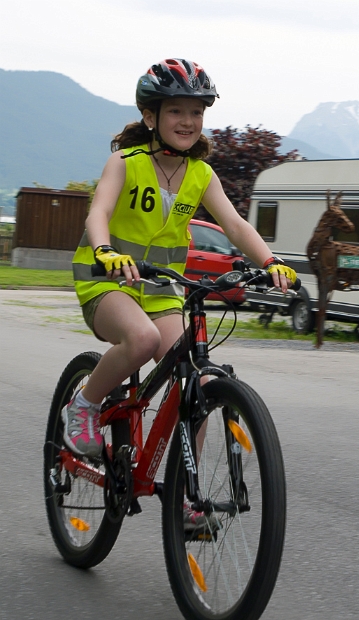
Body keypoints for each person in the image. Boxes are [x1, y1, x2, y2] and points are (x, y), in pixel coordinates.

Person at [65, 58, 296, 460]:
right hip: (107, 282)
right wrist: (105, 251)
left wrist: (270, 261)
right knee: (142, 339)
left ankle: (188, 502)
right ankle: (83, 404)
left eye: (197, 111)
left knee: (199, 386)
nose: (188, 120)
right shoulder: (125, 163)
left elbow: (236, 226)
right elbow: (98, 211)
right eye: (176, 110)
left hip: (161, 290)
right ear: (150, 116)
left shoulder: (200, 174)